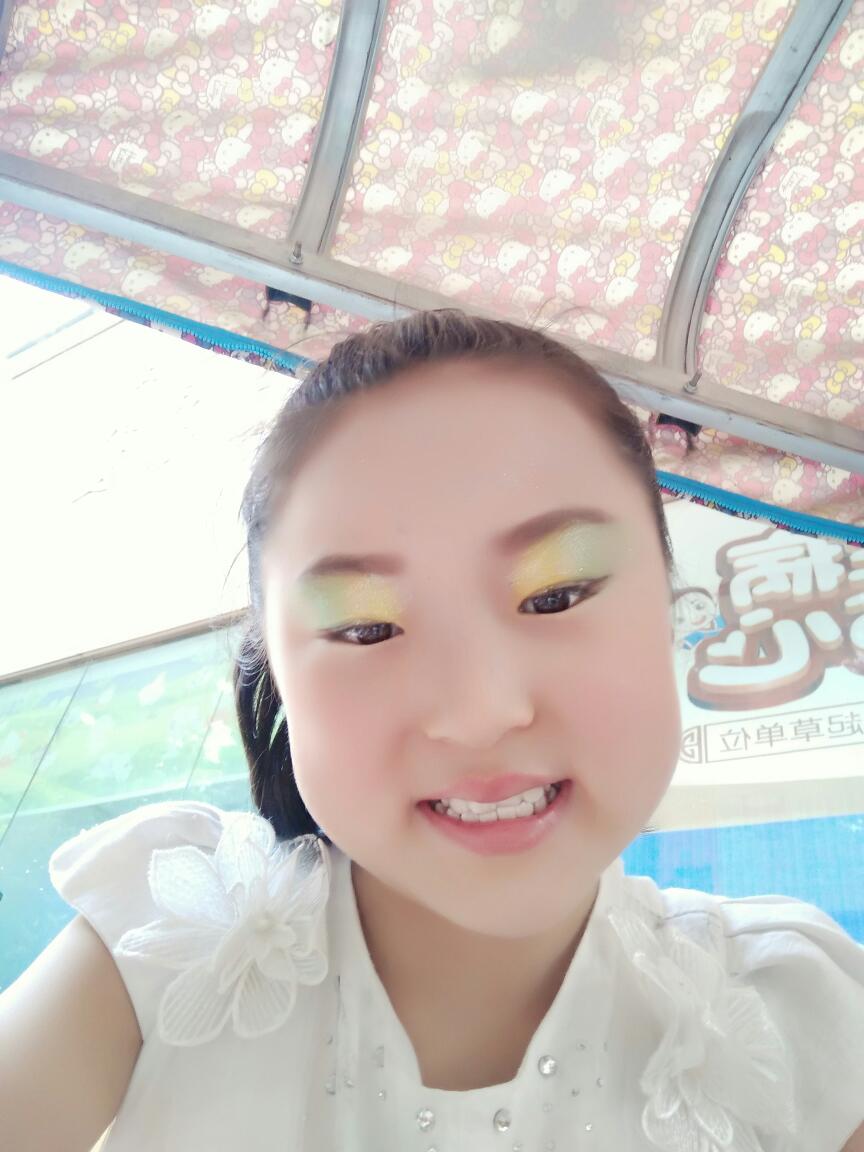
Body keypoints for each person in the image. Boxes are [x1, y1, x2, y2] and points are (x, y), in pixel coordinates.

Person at [2, 310, 863, 1152]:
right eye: (367, 629)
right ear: (276, 673)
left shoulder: (801, 1022)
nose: (480, 712)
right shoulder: (163, 939)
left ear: (670, 606)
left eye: (555, 596)